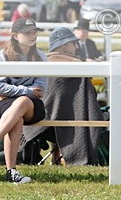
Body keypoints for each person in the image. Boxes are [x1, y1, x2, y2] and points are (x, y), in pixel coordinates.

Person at [0, 18, 47, 184]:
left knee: (22, 102)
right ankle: (12, 172)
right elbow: (0, 87)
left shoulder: (41, 57)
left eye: (34, 32)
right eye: (27, 32)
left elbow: (41, 88)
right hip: (6, 105)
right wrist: (27, 90)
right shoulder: (2, 56)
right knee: (17, 119)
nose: (32, 36)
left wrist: (18, 93)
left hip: (30, 105)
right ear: (16, 36)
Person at [22, 27, 103, 165]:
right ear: (64, 45)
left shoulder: (39, 62)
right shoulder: (79, 66)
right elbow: (90, 98)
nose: (76, 46)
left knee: (58, 109)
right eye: (73, 43)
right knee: (65, 109)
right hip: (74, 124)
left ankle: (56, 156)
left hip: (38, 120)